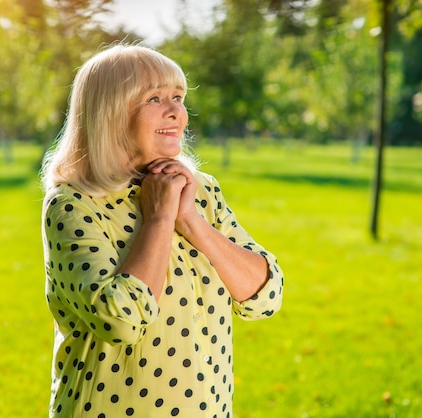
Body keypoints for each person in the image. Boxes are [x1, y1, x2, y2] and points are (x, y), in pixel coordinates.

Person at [40, 43, 283, 418]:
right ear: (111, 114)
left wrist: (190, 220)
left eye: (178, 97)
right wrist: (157, 219)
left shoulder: (201, 190)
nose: (177, 112)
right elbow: (120, 320)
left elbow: (265, 297)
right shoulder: (73, 204)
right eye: (155, 98)